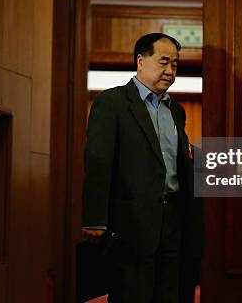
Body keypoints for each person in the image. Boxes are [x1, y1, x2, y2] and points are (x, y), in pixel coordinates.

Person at [81, 33, 199, 302]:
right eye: (164, 62)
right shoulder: (112, 103)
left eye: (176, 65)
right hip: (131, 223)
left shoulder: (176, 110)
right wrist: (94, 219)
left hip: (173, 222)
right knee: (132, 295)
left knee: (169, 295)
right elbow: (98, 162)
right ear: (141, 61)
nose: (170, 71)